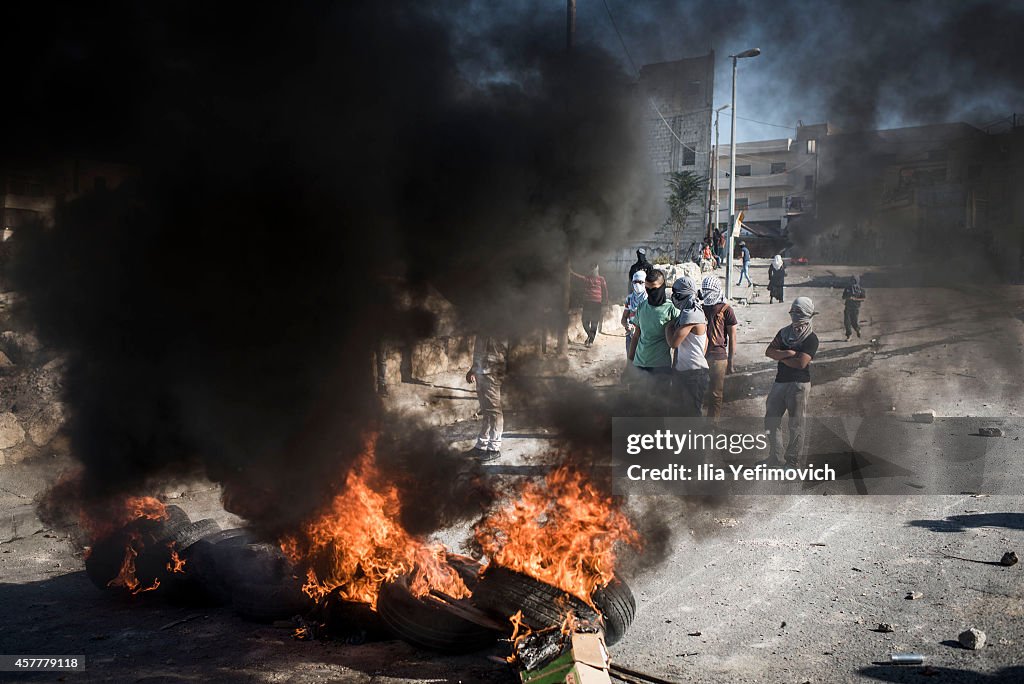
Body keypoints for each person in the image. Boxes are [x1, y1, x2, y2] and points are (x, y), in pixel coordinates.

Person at [762, 297, 818, 468]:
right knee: (771, 420)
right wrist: (789, 353)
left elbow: (801, 364)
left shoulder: (811, 338)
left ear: (807, 314)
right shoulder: (784, 332)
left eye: (798, 312)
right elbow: (769, 352)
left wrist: (782, 356)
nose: (794, 315)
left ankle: (793, 461)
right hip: (780, 382)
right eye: (793, 311)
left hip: (799, 385)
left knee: (796, 424)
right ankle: (775, 458)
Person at [627, 269, 679, 403]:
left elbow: (679, 342)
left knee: (659, 407)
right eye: (647, 289)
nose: (651, 293)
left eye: (654, 289)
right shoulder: (642, 307)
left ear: (663, 287)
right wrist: (629, 363)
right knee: (639, 406)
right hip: (640, 365)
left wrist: (676, 367)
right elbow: (636, 336)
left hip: (660, 367)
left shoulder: (672, 309)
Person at [666, 276, 708, 417]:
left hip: (694, 374)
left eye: (677, 295)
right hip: (685, 372)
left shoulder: (692, 315)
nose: (674, 298)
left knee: (691, 414)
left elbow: (673, 343)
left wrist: (668, 327)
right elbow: (705, 343)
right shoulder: (692, 312)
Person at [700, 275, 737, 421]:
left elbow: (732, 337)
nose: (707, 294)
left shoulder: (727, 310)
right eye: (705, 290)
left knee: (715, 394)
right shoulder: (701, 307)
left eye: (710, 290)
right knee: (700, 392)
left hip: (718, 358)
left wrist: (731, 362)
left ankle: (712, 425)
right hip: (701, 356)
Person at [466, 336, 509, 462]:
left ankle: (494, 448)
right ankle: (482, 445)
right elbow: (480, 351)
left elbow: (502, 353)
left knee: (494, 412)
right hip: (481, 372)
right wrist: (473, 370)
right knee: (486, 411)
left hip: (492, 374)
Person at [570, 264, 608, 346]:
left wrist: (605, 302)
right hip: (587, 303)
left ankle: (590, 341)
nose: (594, 270)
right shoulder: (587, 279)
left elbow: (605, 291)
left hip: (597, 303)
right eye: (592, 269)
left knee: (594, 322)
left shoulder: (601, 279)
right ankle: (590, 336)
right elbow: (579, 277)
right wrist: (572, 273)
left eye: (595, 268)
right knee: (584, 322)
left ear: (597, 269)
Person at [620, 270, 647, 356]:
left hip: (644, 336)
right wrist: (626, 325)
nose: (637, 284)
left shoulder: (649, 299)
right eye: (635, 282)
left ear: (645, 283)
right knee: (631, 359)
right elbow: (624, 318)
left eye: (640, 282)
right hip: (631, 335)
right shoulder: (629, 298)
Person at [842, 275, 866, 340]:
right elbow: (843, 297)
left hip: (855, 308)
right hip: (848, 307)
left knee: (854, 322)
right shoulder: (847, 289)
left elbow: (863, 298)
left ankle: (858, 330)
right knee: (847, 322)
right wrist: (848, 298)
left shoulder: (861, 290)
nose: (852, 282)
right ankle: (849, 335)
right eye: (852, 280)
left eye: (854, 281)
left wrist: (855, 299)